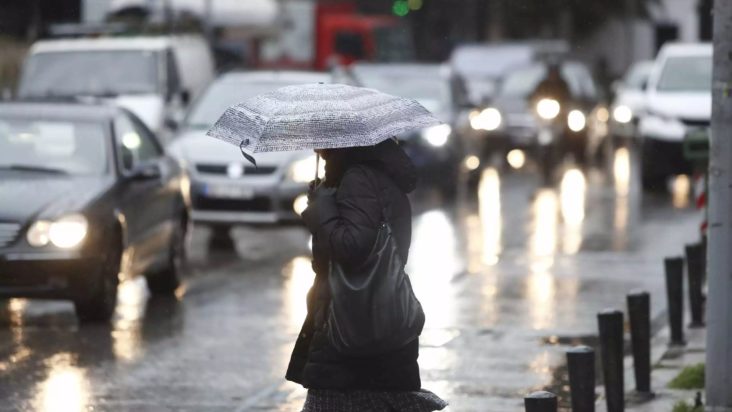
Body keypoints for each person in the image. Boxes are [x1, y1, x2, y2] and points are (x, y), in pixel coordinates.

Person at [287, 138, 447, 412]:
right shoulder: (376, 176)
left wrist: (321, 210)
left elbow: (353, 248)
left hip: (351, 328)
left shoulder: (358, 179)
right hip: (374, 323)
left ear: (341, 142)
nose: (317, 149)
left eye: (322, 141)